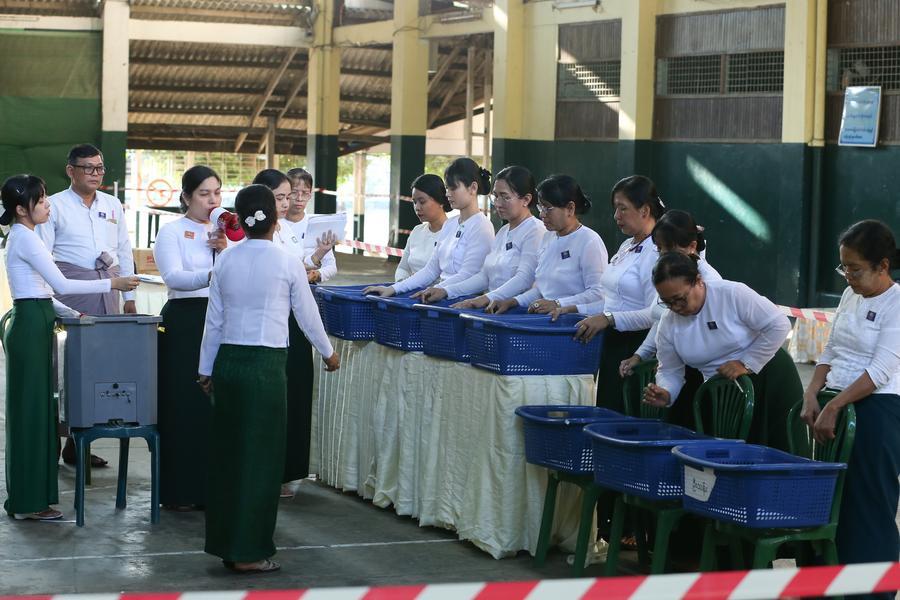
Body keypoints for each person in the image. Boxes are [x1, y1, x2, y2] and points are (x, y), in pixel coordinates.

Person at [197, 184, 339, 574]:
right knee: (261, 461)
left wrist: (205, 368)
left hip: (228, 364)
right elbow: (307, 314)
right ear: (275, 221)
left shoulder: (225, 261)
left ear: (238, 221)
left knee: (229, 457)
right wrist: (328, 352)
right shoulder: (286, 261)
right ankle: (250, 551)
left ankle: (227, 543)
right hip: (265, 369)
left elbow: (214, 321)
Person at [2, 175, 138, 521]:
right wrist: (115, 283)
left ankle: (32, 497)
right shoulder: (26, 239)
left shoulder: (24, 236)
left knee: (39, 412)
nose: (48, 205)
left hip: (37, 317)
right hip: (31, 324)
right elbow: (60, 283)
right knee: (32, 414)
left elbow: (43, 292)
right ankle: (30, 502)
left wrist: (71, 312)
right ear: (21, 209)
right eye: (41, 201)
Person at [801, 220, 900, 584]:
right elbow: (832, 348)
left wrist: (834, 405)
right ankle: (825, 582)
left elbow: (881, 370)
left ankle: (873, 589)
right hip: (835, 402)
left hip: (878, 411)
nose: (848, 276)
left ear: (883, 266)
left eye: (855, 269)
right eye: (843, 267)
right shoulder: (850, 295)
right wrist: (813, 392)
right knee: (830, 499)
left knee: (868, 503)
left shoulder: (897, 303)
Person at [37, 143, 138, 467]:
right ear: (71, 170)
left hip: (109, 292)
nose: (95, 174)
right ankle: (53, 440)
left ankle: (79, 443)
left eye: (100, 168)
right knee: (63, 370)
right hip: (71, 293)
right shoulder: (53, 206)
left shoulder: (112, 205)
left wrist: (130, 299)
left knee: (98, 371)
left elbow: (123, 250)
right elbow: (44, 258)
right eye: (88, 168)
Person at [644, 252, 801, 451]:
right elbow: (670, 370)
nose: (675, 307)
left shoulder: (732, 293)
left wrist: (746, 362)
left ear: (698, 281)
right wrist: (666, 391)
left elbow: (779, 324)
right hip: (722, 390)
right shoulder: (668, 323)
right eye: (667, 302)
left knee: (775, 448)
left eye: (680, 299)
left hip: (769, 376)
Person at [553, 175, 665, 412]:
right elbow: (611, 300)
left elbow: (655, 313)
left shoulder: (657, 251)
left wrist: (609, 319)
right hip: (612, 345)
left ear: (645, 210)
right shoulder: (628, 246)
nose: (616, 216)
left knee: (626, 419)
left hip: (637, 349)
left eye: (623, 209)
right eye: (615, 209)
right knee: (606, 412)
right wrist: (573, 308)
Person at [152, 165, 228, 510]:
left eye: (217, 192)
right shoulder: (170, 232)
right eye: (203, 194)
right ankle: (180, 491)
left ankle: (212, 489)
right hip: (184, 322)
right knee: (183, 404)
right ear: (186, 197)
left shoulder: (229, 232)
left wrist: (226, 249)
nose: (212, 200)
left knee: (214, 410)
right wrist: (214, 271)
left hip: (221, 320)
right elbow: (175, 278)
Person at [252, 168, 325, 498]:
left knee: (294, 398)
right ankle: (267, 470)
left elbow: (301, 262)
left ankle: (287, 470)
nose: (286, 203)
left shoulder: (285, 231)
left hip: (293, 323)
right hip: (268, 327)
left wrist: (318, 258)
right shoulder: (248, 238)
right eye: (279, 197)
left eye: (287, 197)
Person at [619, 210, 721, 426]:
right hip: (680, 371)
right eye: (659, 249)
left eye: (670, 248)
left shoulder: (711, 282)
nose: (664, 254)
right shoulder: (668, 277)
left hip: (703, 374)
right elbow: (663, 320)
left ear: (692, 246)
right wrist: (640, 354)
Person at [364, 158, 494, 301]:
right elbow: (431, 270)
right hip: (439, 299)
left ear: (473, 188)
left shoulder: (482, 226)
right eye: (447, 188)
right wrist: (394, 289)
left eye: (453, 188)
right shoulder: (450, 224)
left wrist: (435, 290)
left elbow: (468, 274)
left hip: (462, 302)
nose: (448, 193)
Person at [488, 174, 607, 315]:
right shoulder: (547, 237)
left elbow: (598, 294)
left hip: (575, 324)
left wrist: (559, 304)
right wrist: (513, 301)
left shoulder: (589, 241)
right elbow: (541, 290)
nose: (542, 215)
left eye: (548, 208)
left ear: (570, 208)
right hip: (546, 321)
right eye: (540, 207)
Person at [427, 165, 544, 306]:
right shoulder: (503, 231)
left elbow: (524, 279)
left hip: (516, 311)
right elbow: (484, 276)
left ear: (526, 199)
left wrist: (484, 299)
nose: (498, 204)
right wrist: (446, 291)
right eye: (495, 196)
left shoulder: (535, 231)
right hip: (493, 309)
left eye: (505, 197)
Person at [285, 168, 338, 284]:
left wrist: (316, 274)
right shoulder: (276, 224)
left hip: (309, 288)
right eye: (294, 192)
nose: (299, 199)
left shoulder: (317, 225)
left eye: (305, 193)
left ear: (310, 195)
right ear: (286, 193)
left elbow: (331, 267)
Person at [394, 174, 450, 282]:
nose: (417, 207)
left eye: (422, 202)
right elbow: (403, 268)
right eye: (414, 202)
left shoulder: (453, 233)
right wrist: (402, 283)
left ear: (440, 201)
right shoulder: (417, 231)